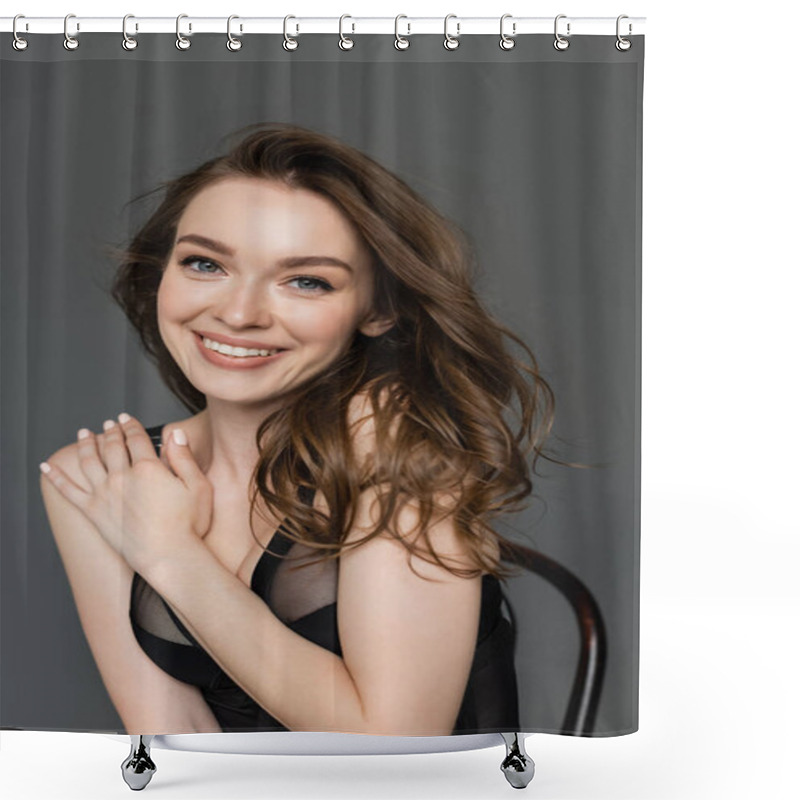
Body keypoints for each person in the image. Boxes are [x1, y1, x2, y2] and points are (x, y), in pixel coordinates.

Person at [38, 122, 556, 737]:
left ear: (378, 308)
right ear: (163, 272)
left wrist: (170, 553)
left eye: (306, 280)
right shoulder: (99, 477)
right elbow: (173, 738)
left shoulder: (393, 442)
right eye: (205, 263)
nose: (238, 313)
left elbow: (395, 744)